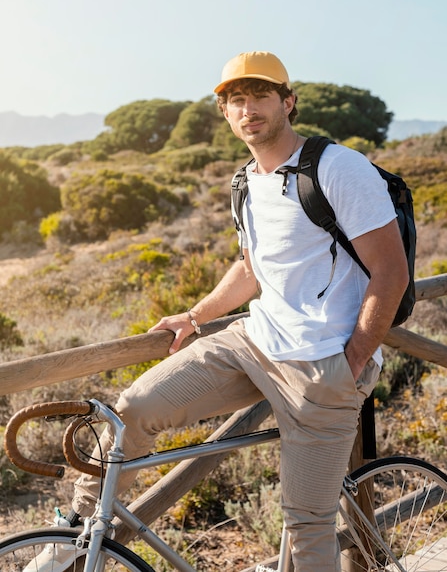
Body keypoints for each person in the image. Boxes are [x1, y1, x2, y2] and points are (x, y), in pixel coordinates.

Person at [26, 51, 409, 572]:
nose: (247, 109)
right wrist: (195, 315)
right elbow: (251, 269)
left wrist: (352, 362)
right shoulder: (245, 182)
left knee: (307, 525)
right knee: (133, 409)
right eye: (235, 101)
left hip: (323, 366)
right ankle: (73, 534)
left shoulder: (338, 167)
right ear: (226, 115)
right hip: (253, 343)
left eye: (260, 96)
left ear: (287, 102)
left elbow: (392, 272)